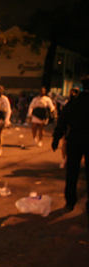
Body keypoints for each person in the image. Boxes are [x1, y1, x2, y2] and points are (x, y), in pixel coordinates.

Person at [52, 76, 89, 216]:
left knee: (72, 170)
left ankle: (70, 201)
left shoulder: (73, 102)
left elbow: (62, 120)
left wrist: (56, 138)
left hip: (74, 138)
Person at [59, 88, 79, 169]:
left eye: (74, 93)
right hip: (68, 126)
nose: (72, 95)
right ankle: (64, 159)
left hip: (77, 127)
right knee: (64, 143)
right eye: (71, 93)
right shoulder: (67, 103)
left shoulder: (80, 103)